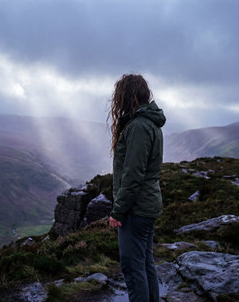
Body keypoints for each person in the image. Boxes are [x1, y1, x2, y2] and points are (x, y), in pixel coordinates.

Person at [108, 74, 166, 302]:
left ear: (128, 96)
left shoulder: (139, 127)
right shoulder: (148, 123)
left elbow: (133, 175)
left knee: (133, 268)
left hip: (136, 208)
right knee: (144, 262)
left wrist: (118, 210)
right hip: (146, 205)